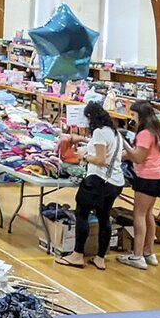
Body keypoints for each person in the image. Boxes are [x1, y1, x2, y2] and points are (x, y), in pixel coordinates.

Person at [56, 102, 125, 271]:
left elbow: (101, 160)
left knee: (82, 213)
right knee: (104, 217)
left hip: (98, 180)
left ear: (89, 117)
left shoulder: (100, 133)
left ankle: (77, 254)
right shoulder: (115, 133)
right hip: (115, 182)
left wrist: (84, 156)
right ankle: (100, 258)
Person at [119, 102, 160, 270]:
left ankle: (137, 255)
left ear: (140, 115)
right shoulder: (156, 131)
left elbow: (138, 157)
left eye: (133, 115)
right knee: (149, 214)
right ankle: (149, 252)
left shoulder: (143, 134)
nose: (132, 119)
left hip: (147, 177)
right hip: (159, 176)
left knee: (139, 215)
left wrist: (124, 142)